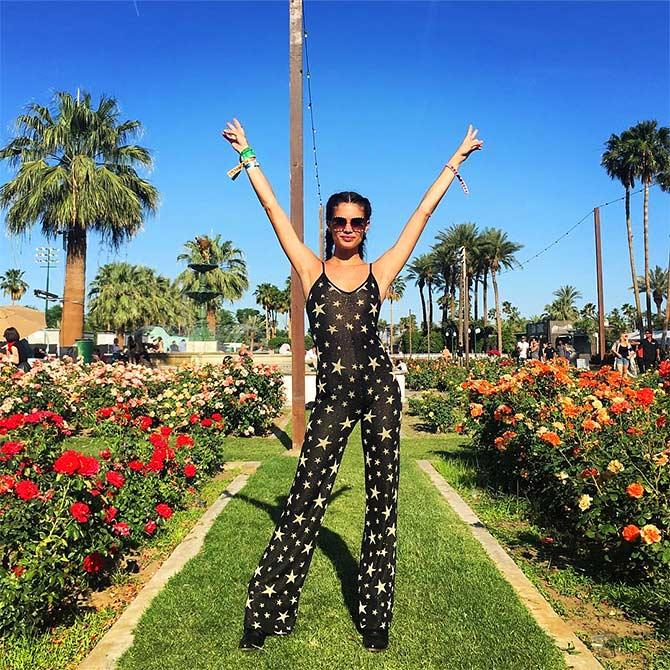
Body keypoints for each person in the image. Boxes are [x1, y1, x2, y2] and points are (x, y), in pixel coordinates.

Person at [222, 116, 483, 652]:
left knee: (383, 499)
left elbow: (422, 215)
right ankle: (268, 612)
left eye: (357, 222)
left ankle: (373, 616)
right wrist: (249, 155)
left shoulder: (380, 273)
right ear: (328, 224)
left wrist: (454, 162)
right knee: (304, 496)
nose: (347, 228)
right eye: (340, 220)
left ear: (367, 227)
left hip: (380, 390)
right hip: (335, 397)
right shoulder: (309, 267)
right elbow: (274, 212)